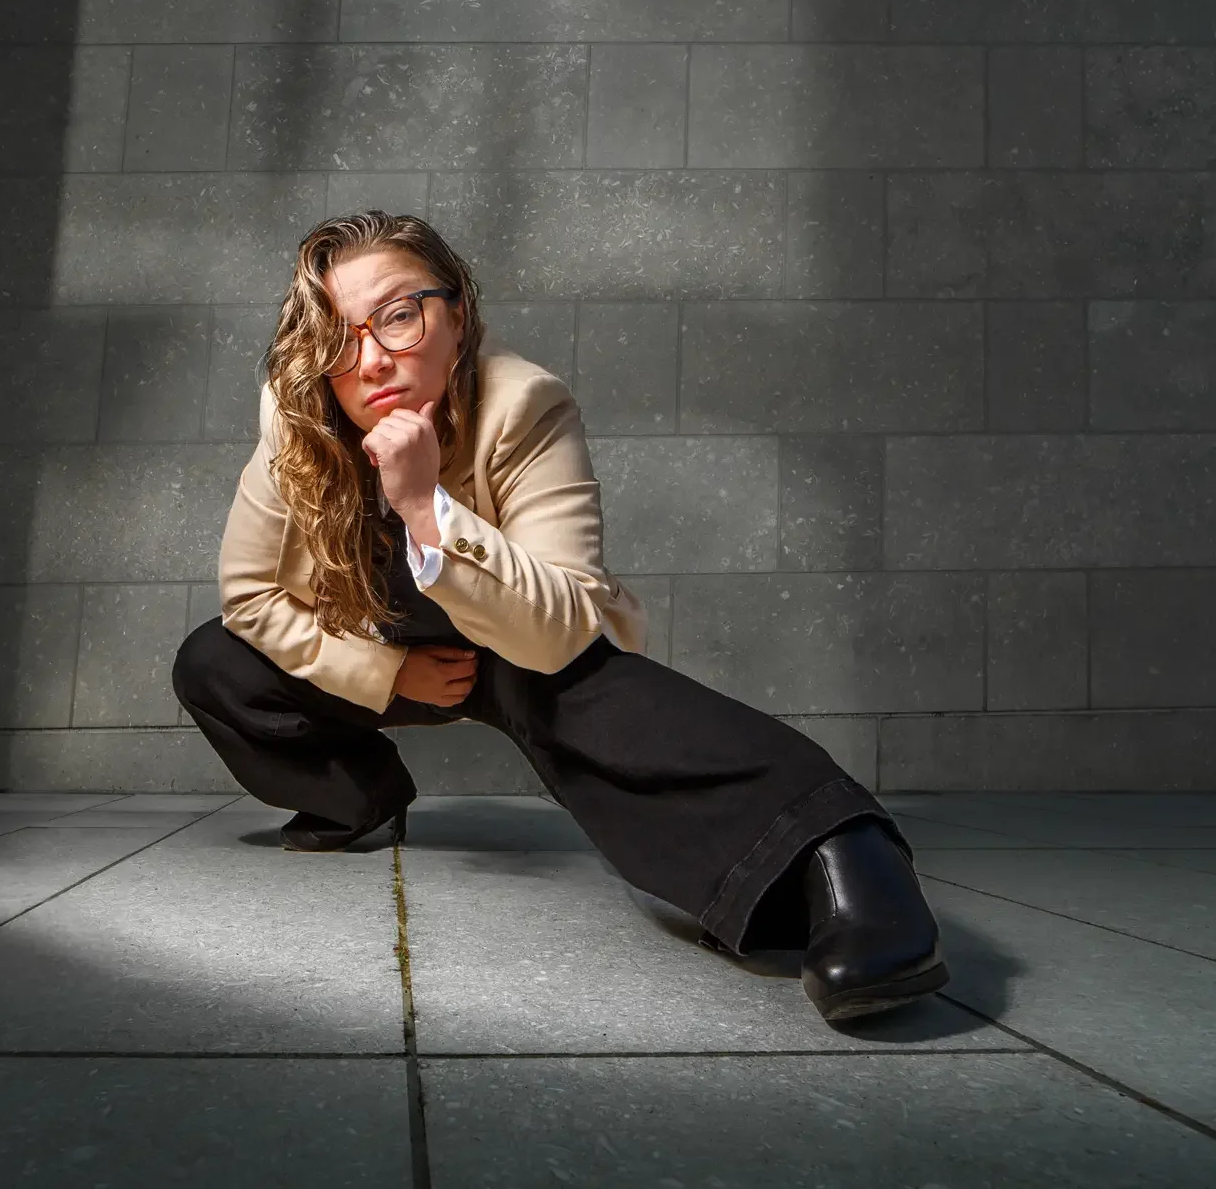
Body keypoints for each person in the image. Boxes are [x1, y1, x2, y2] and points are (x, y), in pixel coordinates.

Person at [172, 211, 948, 1023]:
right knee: (213, 662)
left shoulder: (524, 402)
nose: (369, 359)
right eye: (338, 335)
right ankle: (359, 799)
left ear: (456, 313)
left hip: (509, 644)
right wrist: (390, 673)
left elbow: (563, 620)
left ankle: (844, 856)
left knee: (583, 690)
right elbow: (251, 595)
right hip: (377, 638)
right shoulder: (296, 421)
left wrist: (425, 508)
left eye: (398, 315)